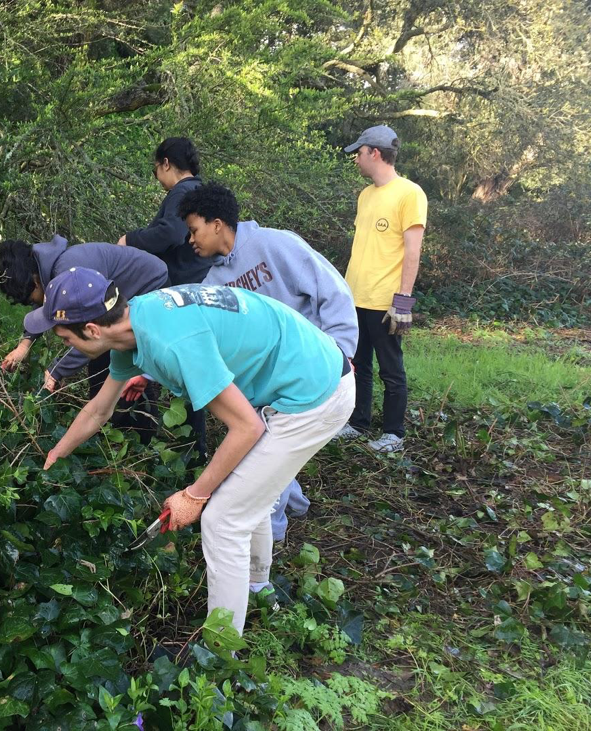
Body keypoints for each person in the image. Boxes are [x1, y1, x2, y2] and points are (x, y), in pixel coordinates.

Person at [31, 267, 355, 634]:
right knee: (247, 490)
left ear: (91, 330)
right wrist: (57, 453)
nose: (65, 347)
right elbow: (99, 409)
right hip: (298, 376)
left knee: (222, 521)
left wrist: (194, 495)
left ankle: (221, 653)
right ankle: (257, 588)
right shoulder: (133, 325)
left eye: (63, 337)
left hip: (315, 394)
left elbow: (246, 427)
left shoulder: (171, 343)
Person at [179, 183, 358, 593]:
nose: (191, 240)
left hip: (316, 375)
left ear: (218, 223)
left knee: (260, 481)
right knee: (263, 471)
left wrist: (341, 350)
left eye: (194, 230)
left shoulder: (276, 246)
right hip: (269, 392)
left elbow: (332, 290)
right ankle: (263, 571)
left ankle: (260, 577)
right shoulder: (216, 283)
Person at [0, 236, 169, 441]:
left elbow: (87, 336)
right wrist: (24, 345)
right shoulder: (47, 270)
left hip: (147, 286)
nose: (32, 303)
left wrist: (56, 370)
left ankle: (138, 437)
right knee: (105, 364)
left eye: (28, 299)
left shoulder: (69, 271)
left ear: (34, 281)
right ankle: (108, 431)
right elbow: (48, 308)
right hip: (119, 298)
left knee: (124, 359)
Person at [118, 136, 211, 458]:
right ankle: (190, 447)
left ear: (166, 164)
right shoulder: (199, 190)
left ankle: (170, 444)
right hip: (195, 285)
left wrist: (128, 240)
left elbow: (169, 234)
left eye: (157, 169)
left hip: (179, 287)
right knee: (191, 366)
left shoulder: (182, 192)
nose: (158, 177)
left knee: (158, 356)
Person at [337, 125, 427, 453]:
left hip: (385, 300)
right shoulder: (365, 195)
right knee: (358, 365)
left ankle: (393, 433)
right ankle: (358, 424)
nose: (356, 160)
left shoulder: (409, 193)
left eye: (358, 153)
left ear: (374, 153)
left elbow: (413, 250)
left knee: (391, 369)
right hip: (355, 296)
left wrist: (403, 300)